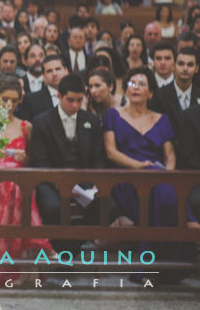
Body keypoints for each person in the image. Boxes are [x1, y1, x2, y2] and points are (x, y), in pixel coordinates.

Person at [102, 66, 198, 281]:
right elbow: (111, 152)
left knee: (162, 188)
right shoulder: (113, 115)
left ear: (151, 93)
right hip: (127, 176)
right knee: (160, 188)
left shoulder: (161, 118)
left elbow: (170, 154)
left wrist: (167, 174)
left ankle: (161, 268)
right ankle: (190, 222)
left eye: (142, 84)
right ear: (125, 90)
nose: (136, 87)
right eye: (132, 83)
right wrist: (139, 166)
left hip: (158, 176)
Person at [0, 74, 55, 285]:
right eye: (5, 99)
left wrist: (25, 159)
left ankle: (24, 262)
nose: (9, 105)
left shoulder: (26, 126)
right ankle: (38, 243)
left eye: (14, 100)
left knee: (19, 186)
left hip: (20, 180)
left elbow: (34, 161)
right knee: (13, 186)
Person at [29, 74, 105, 252]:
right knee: (53, 207)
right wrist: (61, 185)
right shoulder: (42, 122)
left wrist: (94, 184)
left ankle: (76, 245)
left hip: (84, 181)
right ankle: (60, 249)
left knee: (105, 204)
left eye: (79, 100)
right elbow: (40, 161)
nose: (75, 105)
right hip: (51, 181)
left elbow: (97, 158)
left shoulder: (91, 121)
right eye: (70, 100)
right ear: (59, 97)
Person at [148, 47, 199, 133]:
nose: (185, 68)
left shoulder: (198, 94)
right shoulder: (159, 95)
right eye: (181, 64)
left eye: (190, 65)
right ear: (173, 66)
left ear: (196, 68)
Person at [17, 55, 69, 121]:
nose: (54, 73)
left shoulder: (79, 96)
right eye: (49, 71)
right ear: (43, 76)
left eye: (58, 69)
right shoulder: (31, 100)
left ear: (66, 71)